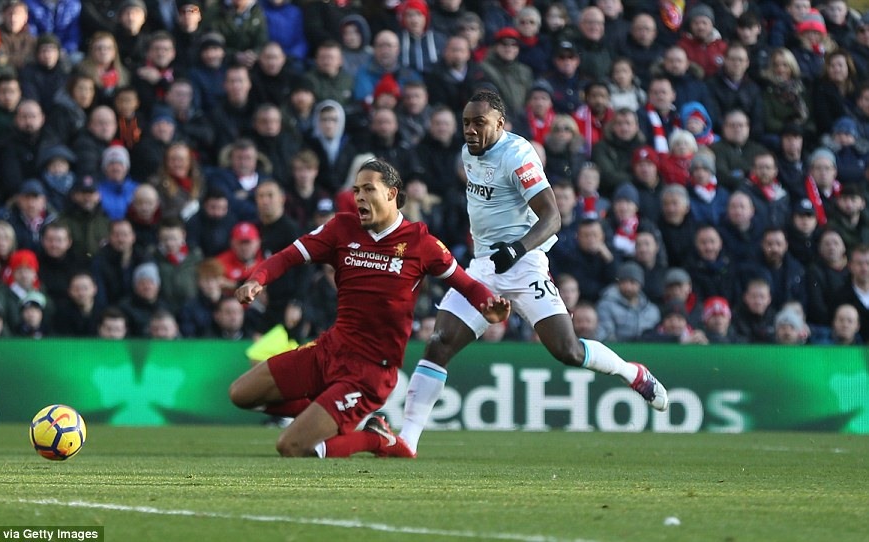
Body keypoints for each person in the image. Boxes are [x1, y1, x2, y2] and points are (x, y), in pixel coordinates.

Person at [397, 91, 668, 457]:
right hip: (484, 266)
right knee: (439, 341)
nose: (470, 131)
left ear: (500, 124)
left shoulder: (518, 155)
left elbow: (552, 217)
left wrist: (518, 249)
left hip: (523, 263)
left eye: (479, 123)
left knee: (567, 351)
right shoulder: (467, 153)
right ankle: (406, 441)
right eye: (466, 123)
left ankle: (631, 372)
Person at [229, 159, 510, 458]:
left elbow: (466, 284)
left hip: (370, 372)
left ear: (391, 193)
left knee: (292, 446)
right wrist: (256, 280)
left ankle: (377, 440)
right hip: (329, 351)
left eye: (368, 189)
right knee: (241, 394)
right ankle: (329, 413)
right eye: (356, 190)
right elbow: (287, 257)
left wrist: (487, 305)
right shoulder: (341, 228)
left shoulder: (420, 242)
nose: (359, 197)